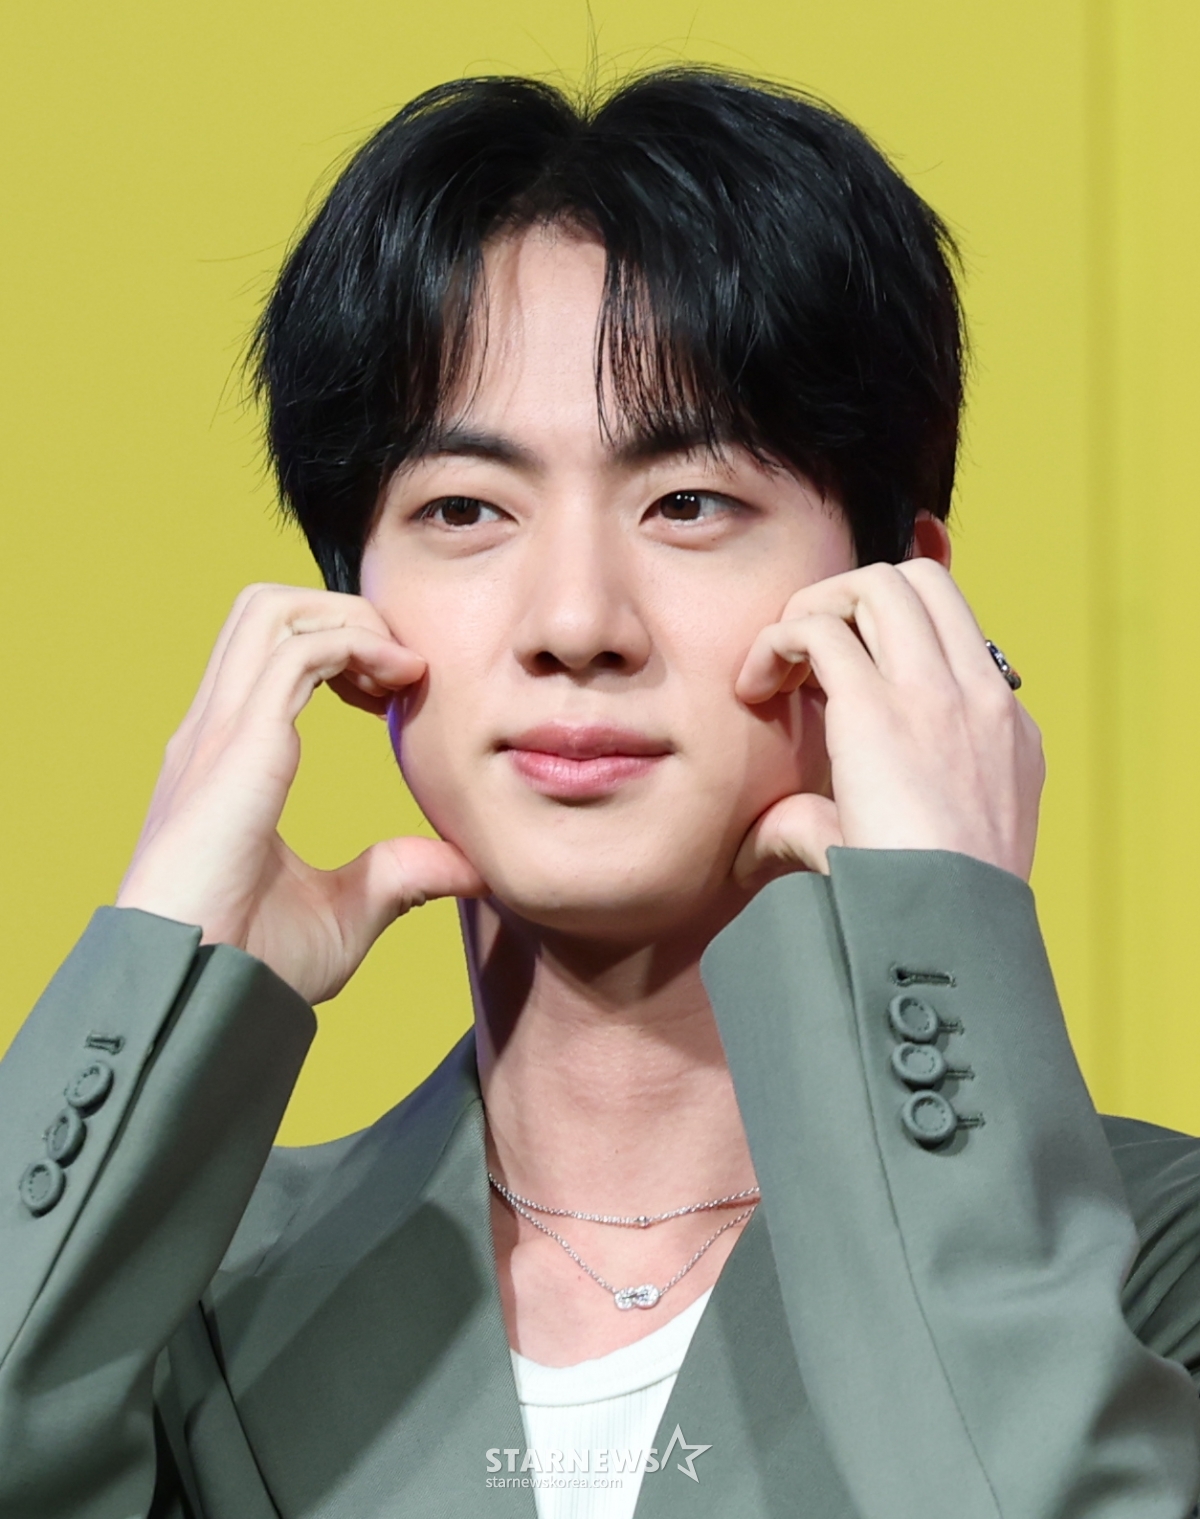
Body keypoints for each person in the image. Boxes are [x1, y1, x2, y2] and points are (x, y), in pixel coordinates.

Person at [3, 66, 1200, 1519]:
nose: (575, 621)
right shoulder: (176, 1298)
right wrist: (153, 982)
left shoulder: (1148, 1271)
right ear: (352, 615)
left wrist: (941, 935)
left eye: (690, 502)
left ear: (902, 600)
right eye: (464, 509)